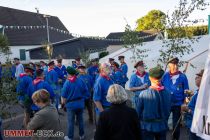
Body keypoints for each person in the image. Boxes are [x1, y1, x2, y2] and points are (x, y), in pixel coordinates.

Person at [137, 66, 171, 140]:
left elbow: (138, 113)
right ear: (161, 78)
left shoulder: (143, 94)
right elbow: (168, 111)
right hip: (162, 125)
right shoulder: (168, 93)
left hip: (147, 126)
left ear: (150, 78)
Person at [162, 57, 189, 140]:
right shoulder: (165, 76)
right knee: (163, 122)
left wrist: (185, 104)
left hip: (178, 104)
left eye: (176, 64)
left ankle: (175, 138)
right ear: (169, 65)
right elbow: (161, 88)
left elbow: (186, 92)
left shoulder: (183, 77)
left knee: (176, 124)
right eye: (173, 64)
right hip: (167, 103)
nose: (175, 66)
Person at [61, 66, 90, 140]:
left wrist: (63, 104)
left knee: (71, 122)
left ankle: (70, 137)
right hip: (80, 103)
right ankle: (82, 135)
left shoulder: (67, 83)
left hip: (70, 105)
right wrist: (83, 99)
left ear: (69, 74)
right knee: (80, 120)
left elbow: (63, 96)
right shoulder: (81, 81)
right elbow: (86, 92)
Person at [182, 69, 204, 140]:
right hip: (192, 125)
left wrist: (187, 110)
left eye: (199, 76)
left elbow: (201, 114)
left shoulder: (203, 95)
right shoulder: (197, 91)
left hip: (198, 127)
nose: (196, 78)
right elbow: (191, 103)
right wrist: (188, 96)